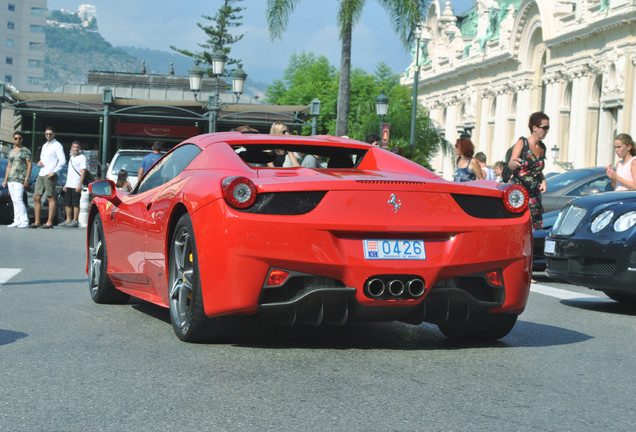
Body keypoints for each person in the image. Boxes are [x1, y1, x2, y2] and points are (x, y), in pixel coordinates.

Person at [508, 111, 548, 229]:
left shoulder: (542, 147)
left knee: (534, 227)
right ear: (535, 127)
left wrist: (544, 181)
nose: (547, 131)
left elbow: (538, 170)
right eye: (544, 128)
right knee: (518, 225)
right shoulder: (522, 143)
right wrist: (514, 163)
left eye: (548, 128)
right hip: (519, 193)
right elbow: (510, 164)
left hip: (534, 194)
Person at [31, 127, 66, 229]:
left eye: (50, 134)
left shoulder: (57, 145)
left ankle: (49, 222)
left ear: (54, 134)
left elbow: (62, 161)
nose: (48, 136)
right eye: (46, 134)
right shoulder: (44, 145)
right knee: (36, 197)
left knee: (50, 197)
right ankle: (37, 221)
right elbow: (44, 159)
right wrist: (39, 163)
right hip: (41, 173)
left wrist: (54, 172)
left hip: (50, 175)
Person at [1, 131, 32, 228]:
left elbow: (29, 165)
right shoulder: (10, 152)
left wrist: (26, 179)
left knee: (18, 199)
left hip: (20, 178)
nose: (17, 140)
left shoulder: (26, 151)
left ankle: (24, 221)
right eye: (16, 138)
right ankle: (16, 220)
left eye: (19, 138)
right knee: (14, 200)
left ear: (22, 139)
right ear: (13, 139)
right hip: (11, 179)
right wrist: (5, 180)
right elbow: (8, 166)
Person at [60, 141, 87, 227]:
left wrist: (80, 184)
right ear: (71, 148)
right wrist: (66, 184)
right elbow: (70, 172)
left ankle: (75, 220)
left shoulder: (82, 158)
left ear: (80, 148)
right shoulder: (71, 157)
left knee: (75, 203)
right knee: (67, 202)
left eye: (77, 147)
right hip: (69, 184)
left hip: (76, 184)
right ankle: (68, 219)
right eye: (74, 147)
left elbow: (83, 171)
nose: (76, 149)